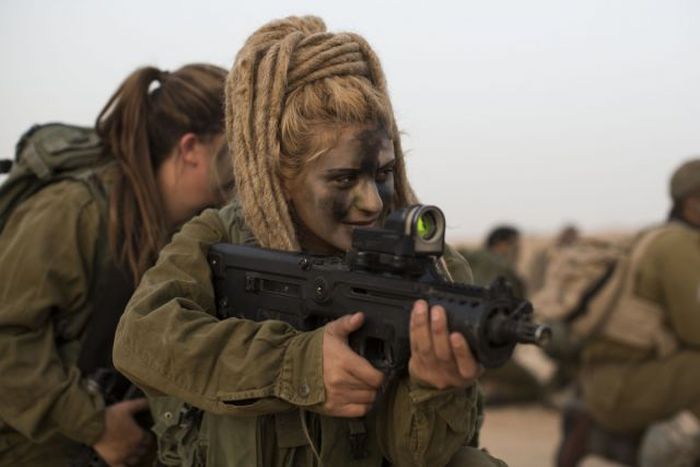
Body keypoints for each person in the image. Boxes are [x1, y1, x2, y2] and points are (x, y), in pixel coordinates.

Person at [113, 16, 507, 467]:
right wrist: (296, 365)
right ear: (280, 176)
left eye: (382, 174)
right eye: (342, 179)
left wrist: (432, 386)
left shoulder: (432, 271)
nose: (371, 202)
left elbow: (417, 454)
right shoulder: (220, 237)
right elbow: (138, 339)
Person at [0, 64, 231, 466]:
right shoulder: (72, 213)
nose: (243, 169)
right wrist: (97, 426)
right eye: (233, 152)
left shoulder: (191, 228)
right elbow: (6, 339)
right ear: (191, 149)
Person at [562, 158, 700, 467]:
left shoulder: (657, 235)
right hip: (622, 387)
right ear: (693, 202)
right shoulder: (679, 245)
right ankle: (661, 455)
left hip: (608, 378)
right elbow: (694, 329)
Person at [461, 225, 526, 299]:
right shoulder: (503, 269)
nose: (517, 251)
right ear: (501, 244)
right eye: (514, 246)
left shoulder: (466, 258)